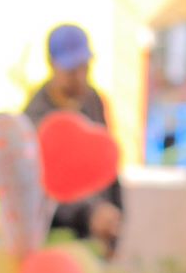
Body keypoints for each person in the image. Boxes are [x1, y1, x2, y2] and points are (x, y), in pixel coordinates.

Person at [25, 23, 125, 254]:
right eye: (71, 70)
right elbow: (45, 186)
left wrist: (114, 219)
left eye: (85, 68)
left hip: (94, 238)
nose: (80, 77)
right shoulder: (36, 117)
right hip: (55, 239)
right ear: (52, 64)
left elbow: (107, 167)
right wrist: (89, 214)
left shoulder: (93, 101)